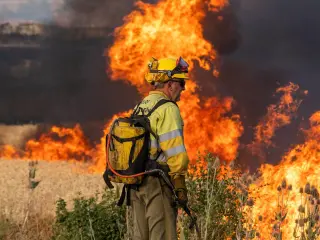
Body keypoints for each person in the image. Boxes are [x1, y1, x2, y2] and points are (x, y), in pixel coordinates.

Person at [130, 57, 190, 240]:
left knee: (141, 237)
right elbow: (175, 153)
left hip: (135, 183)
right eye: (181, 83)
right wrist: (180, 185)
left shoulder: (140, 106)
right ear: (170, 84)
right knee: (163, 235)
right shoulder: (168, 109)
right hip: (157, 181)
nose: (183, 89)